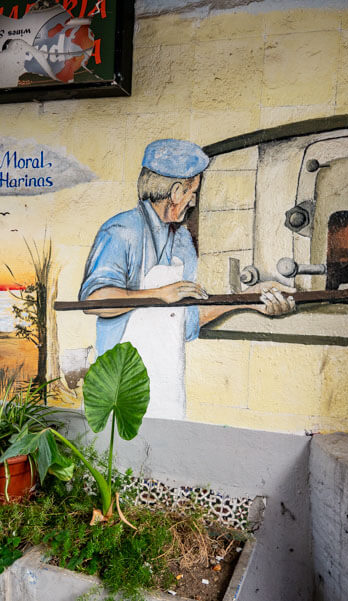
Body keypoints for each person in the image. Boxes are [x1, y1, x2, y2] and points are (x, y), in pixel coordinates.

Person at [79, 139, 294, 419]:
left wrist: (251, 299)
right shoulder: (121, 230)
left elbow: (185, 320)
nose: (193, 200)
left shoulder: (180, 240)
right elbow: (94, 302)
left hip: (167, 385)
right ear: (177, 191)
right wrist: (158, 295)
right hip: (118, 387)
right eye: (193, 191)